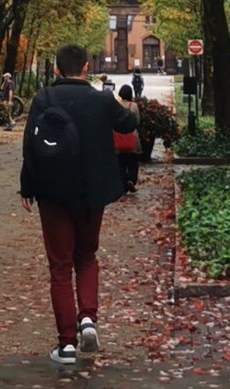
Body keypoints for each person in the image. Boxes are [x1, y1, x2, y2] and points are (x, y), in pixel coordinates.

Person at [19, 43, 136, 369]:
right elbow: (128, 125)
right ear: (86, 68)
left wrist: (26, 187)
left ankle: (66, 344)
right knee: (86, 257)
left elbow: (30, 144)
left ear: (56, 69)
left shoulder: (44, 99)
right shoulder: (100, 100)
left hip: (53, 193)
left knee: (60, 266)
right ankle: (88, 319)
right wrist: (122, 103)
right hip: (91, 193)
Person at [114, 83, 143, 195]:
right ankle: (131, 179)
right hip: (131, 137)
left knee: (121, 163)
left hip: (118, 137)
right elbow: (137, 121)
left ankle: (123, 184)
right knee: (133, 162)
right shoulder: (133, 106)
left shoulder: (116, 104)